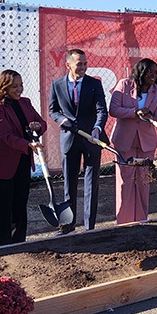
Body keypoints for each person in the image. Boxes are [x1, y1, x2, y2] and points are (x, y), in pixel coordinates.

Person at [0, 69, 47, 246]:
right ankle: (0, 247)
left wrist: (37, 127)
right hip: (1, 163)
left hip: (22, 160)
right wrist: (27, 144)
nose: (19, 89)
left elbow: (41, 123)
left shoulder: (25, 103)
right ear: (4, 87)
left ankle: (19, 244)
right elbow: (6, 135)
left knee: (20, 205)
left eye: (21, 85)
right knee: (2, 208)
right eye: (14, 86)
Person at [48, 49, 108, 234]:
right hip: (69, 139)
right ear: (68, 65)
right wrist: (62, 120)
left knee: (91, 184)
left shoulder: (94, 84)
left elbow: (101, 110)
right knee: (69, 183)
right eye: (79, 64)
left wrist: (97, 128)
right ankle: (68, 225)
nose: (83, 67)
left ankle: (90, 227)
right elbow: (53, 110)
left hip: (91, 139)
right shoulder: (57, 84)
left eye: (85, 63)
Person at [109, 58, 157, 224]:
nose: (153, 76)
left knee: (144, 180)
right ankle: (124, 221)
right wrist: (135, 112)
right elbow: (114, 110)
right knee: (125, 181)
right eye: (150, 72)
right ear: (141, 72)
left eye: (156, 73)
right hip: (124, 141)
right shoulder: (124, 85)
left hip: (146, 142)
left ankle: (141, 219)